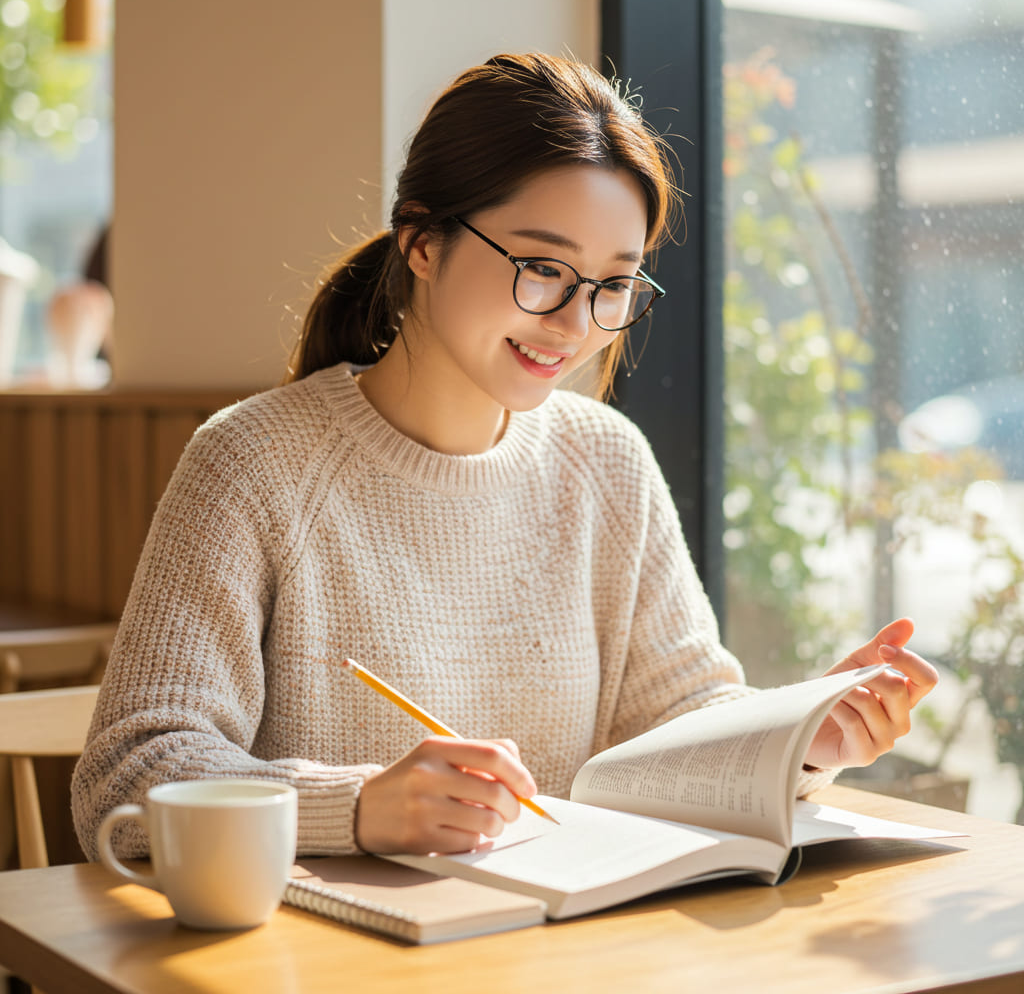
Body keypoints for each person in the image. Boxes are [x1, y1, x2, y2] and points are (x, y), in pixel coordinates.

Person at [71, 53, 938, 860]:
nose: (574, 324)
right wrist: (363, 806)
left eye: (613, 285)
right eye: (541, 267)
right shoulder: (255, 461)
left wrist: (800, 737)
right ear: (420, 241)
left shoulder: (609, 462)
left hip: (558, 952)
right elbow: (128, 774)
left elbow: (683, 721)